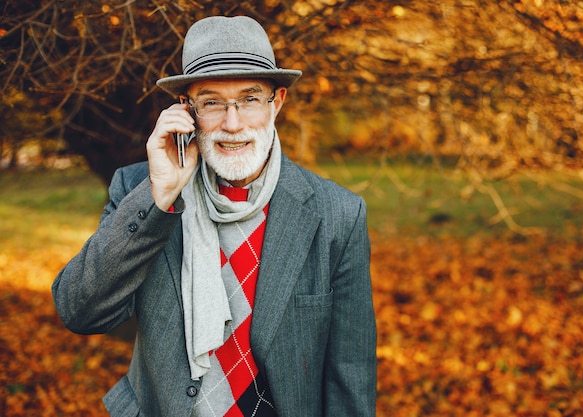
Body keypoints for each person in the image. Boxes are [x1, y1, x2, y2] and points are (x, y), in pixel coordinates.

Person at [52, 15, 376, 417]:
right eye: (212, 102)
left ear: (277, 102)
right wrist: (160, 196)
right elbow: (80, 312)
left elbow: (350, 374)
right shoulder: (140, 189)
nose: (232, 123)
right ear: (187, 110)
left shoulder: (337, 213)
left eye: (250, 99)